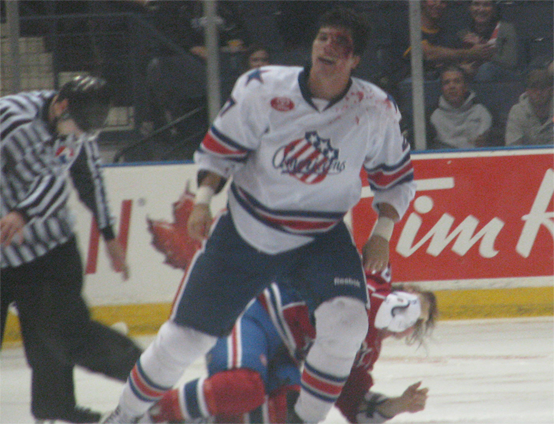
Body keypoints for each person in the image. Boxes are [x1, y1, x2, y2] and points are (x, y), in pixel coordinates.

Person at [103, 7, 416, 424]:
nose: (328, 47)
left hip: (320, 236)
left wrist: (383, 231)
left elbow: (395, 176)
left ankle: (302, 421)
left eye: (340, 44)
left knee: (348, 324)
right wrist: (202, 199)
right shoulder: (263, 88)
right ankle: (124, 416)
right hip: (249, 231)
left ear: (354, 61)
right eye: (324, 37)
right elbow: (222, 148)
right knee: (184, 339)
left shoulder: (374, 108)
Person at [142, 192, 437, 424]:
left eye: (416, 321)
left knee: (289, 413)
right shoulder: (375, 276)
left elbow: (354, 404)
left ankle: (189, 418)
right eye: (410, 303)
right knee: (242, 388)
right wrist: (400, 304)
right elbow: (364, 294)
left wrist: (397, 405)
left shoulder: (368, 351)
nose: (408, 318)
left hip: (284, 351)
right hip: (255, 313)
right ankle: (147, 413)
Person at [0, 76, 143, 423]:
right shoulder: (10, 120)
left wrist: (108, 234)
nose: (79, 136)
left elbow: (84, 176)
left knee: (63, 334)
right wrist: (17, 211)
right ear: (60, 106)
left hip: (50, 252)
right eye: (76, 127)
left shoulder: (80, 127)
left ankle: (148, 379)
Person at [391, 0, 495, 82]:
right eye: (434, 0)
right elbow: (428, 53)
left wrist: (480, 53)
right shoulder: (407, 28)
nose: (438, 4)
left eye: (443, 1)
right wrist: (470, 53)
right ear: (423, 2)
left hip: (439, 86)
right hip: (409, 86)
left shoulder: (447, 33)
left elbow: (458, 64)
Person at [429, 65, 493, 149]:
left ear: (465, 87)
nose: (452, 86)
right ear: (442, 88)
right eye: (446, 83)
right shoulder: (431, 117)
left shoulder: (482, 112)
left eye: (457, 81)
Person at [457, 0, 519, 82]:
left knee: (486, 68)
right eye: (476, 4)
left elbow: (510, 63)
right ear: (469, 8)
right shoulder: (462, 33)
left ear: (493, 8)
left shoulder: (506, 29)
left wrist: (483, 46)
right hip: (468, 77)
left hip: (501, 79)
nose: (481, 9)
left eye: (486, 5)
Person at [505, 67, 553, 146]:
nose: (538, 92)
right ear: (527, 90)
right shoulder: (517, 112)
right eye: (534, 88)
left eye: (543, 88)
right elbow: (513, 149)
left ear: (551, 90)